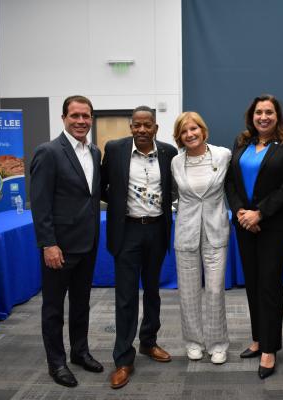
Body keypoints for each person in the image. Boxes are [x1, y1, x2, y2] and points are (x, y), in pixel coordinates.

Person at [225, 94, 283, 379]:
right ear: (252, 116)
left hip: (275, 225)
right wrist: (240, 212)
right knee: (253, 283)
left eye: (269, 112)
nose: (263, 117)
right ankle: (258, 338)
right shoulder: (242, 141)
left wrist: (259, 214)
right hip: (244, 224)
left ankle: (270, 349)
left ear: (277, 116)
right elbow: (230, 182)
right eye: (259, 112)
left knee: (269, 284)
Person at [30, 95, 104, 388]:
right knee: (53, 308)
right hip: (59, 247)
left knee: (81, 303)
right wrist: (48, 244)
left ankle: (80, 352)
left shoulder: (94, 152)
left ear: (91, 119)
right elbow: (40, 203)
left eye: (86, 116)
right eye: (75, 115)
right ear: (63, 118)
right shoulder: (48, 152)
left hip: (87, 243)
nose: (81, 121)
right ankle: (56, 362)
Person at [101, 106, 177, 389]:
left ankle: (148, 342)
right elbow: (102, 185)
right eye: (137, 125)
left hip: (156, 229)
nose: (142, 130)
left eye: (148, 125)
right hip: (127, 231)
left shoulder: (168, 152)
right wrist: (120, 200)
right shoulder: (115, 149)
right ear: (130, 126)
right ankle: (123, 359)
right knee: (126, 296)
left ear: (156, 127)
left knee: (153, 291)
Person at [171, 111, 232, 364]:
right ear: (179, 137)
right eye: (184, 131)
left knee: (215, 290)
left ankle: (218, 344)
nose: (190, 134)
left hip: (215, 230)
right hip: (186, 232)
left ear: (203, 130)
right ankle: (193, 342)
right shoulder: (176, 162)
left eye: (193, 128)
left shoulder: (223, 155)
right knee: (188, 292)